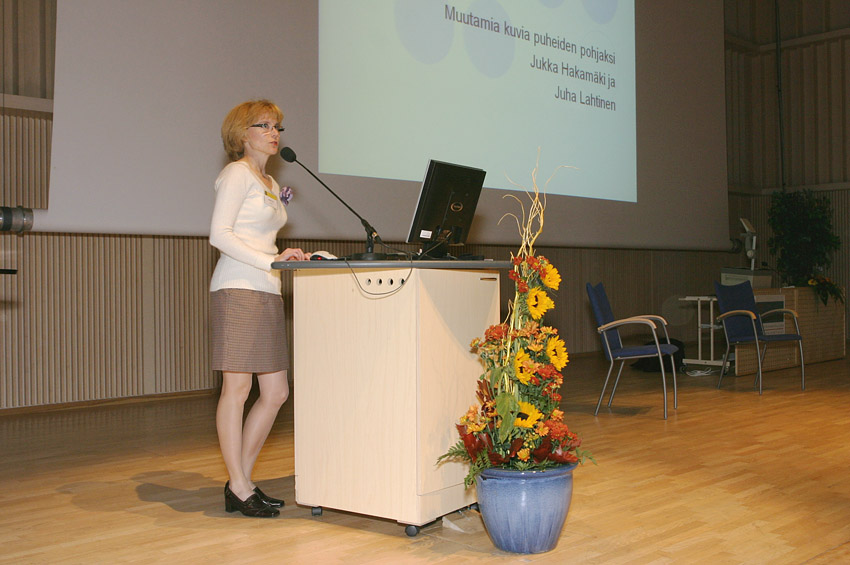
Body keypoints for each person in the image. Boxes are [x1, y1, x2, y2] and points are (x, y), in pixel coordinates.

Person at [209, 99, 309, 517]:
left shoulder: (267, 180)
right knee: (237, 390)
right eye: (264, 125)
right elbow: (219, 235)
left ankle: (241, 482)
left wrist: (284, 256)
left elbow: (260, 238)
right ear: (241, 134)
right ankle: (239, 484)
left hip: (267, 290)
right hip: (238, 288)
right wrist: (270, 261)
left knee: (277, 392)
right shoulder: (237, 174)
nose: (274, 133)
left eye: (277, 126)